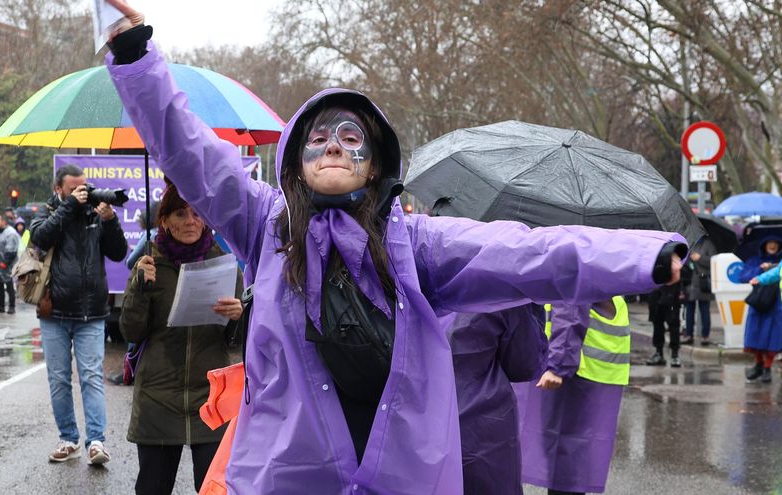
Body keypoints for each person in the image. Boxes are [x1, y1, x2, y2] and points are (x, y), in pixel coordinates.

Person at [102, 5, 684, 491]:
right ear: (296, 164)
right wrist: (134, 54)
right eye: (318, 138)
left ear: (375, 163)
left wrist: (645, 258)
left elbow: (529, 253)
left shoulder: (417, 245)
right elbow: (188, 150)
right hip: (287, 477)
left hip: (394, 475)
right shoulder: (266, 226)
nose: (333, 146)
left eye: (350, 137)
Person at [120, 182, 244, 494]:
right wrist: (139, 288)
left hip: (211, 400)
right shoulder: (150, 265)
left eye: (197, 213)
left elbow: (237, 341)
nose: (190, 221)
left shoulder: (226, 265)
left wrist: (239, 317)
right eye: (180, 214)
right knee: (153, 488)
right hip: (158, 398)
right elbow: (131, 332)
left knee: (214, 489)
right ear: (164, 220)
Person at [29, 165, 128, 465]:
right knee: (59, 379)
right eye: (74, 188)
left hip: (91, 312)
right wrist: (69, 206)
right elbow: (40, 238)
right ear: (58, 189)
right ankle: (68, 439)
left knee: (91, 378)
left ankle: (96, 442)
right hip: (54, 311)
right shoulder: (48, 211)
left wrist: (110, 220)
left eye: (84, 187)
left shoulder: (95, 214)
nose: (81, 192)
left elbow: (118, 252)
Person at [514, 299, 631, 495]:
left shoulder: (579, 276)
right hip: (589, 367)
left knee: (565, 458)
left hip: (576, 371)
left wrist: (558, 365)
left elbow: (571, 302)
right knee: (571, 458)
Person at [443, 305, 547, 494]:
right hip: (481, 424)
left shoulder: (407, 287)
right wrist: (533, 306)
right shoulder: (503, 292)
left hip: (420, 415)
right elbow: (525, 363)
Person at [742, 237, 782, 383]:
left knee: (773, 337)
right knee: (755, 334)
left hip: (776, 306)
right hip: (759, 303)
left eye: (775, 243)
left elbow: (776, 272)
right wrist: (760, 273)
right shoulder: (755, 260)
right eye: (769, 243)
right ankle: (759, 364)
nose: (772, 246)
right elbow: (744, 276)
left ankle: (767, 367)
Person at [682, 237, 717, 346]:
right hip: (689, 282)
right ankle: (688, 335)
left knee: (704, 309)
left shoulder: (708, 243)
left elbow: (713, 261)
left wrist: (700, 258)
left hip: (703, 283)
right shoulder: (689, 243)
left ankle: (705, 336)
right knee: (689, 310)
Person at [645, 280, 683, 367]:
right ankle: (659, 352)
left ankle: (675, 354)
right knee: (657, 323)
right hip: (655, 291)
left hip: (672, 291)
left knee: (673, 324)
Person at [0, 215, 20, 315]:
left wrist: (5, 263)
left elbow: (12, 251)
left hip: (7, 266)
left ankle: (12, 306)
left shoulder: (11, 233)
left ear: (3, 222)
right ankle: (0, 306)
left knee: (9, 287)